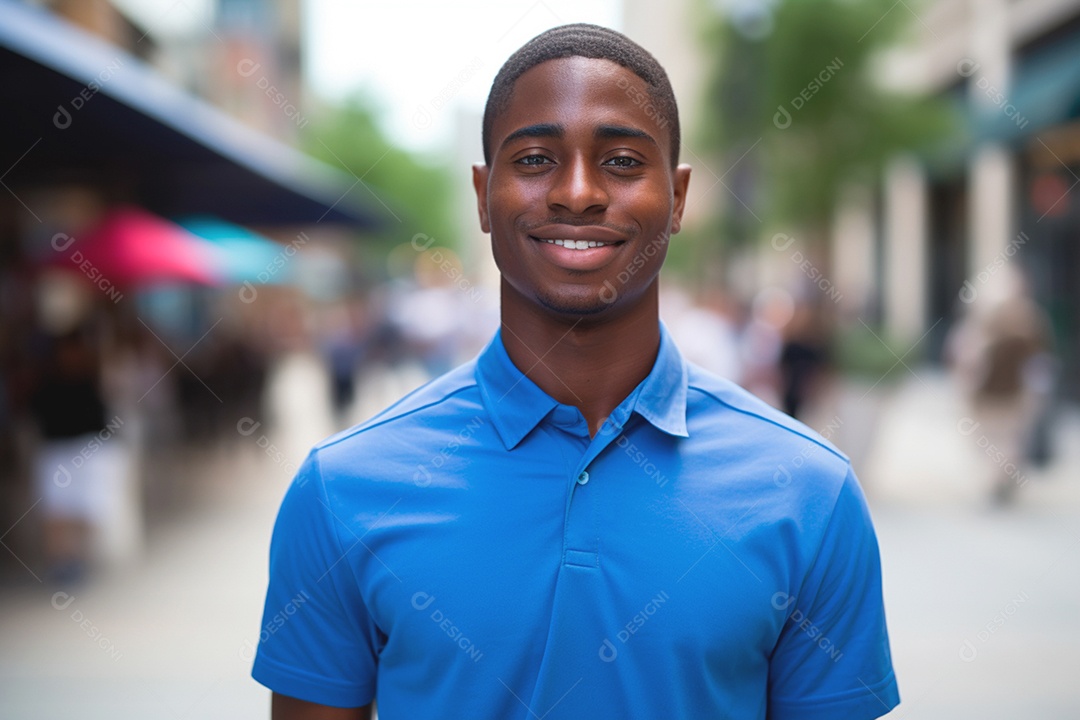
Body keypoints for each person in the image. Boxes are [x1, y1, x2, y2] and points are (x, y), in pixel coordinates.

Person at [252, 23, 899, 720]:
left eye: (622, 161)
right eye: (534, 159)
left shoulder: (809, 493)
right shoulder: (343, 489)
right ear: (482, 192)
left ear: (678, 198)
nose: (579, 192)